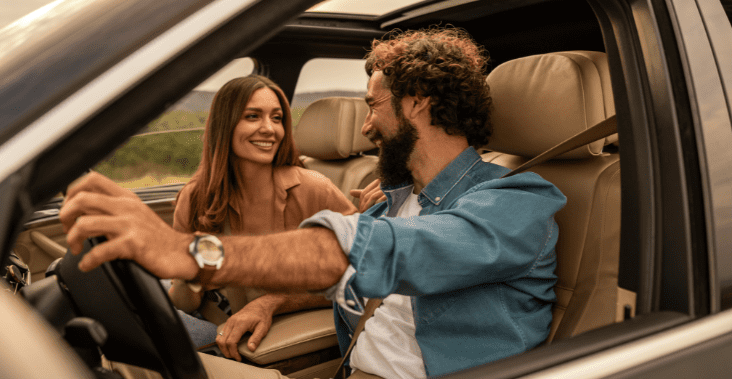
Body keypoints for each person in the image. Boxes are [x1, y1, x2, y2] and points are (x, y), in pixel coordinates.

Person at [60, 27, 567, 378]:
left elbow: (366, 252)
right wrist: (270, 298)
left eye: (373, 106)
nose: (365, 127)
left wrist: (192, 253)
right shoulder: (391, 204)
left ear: (416, 102)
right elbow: (343, 270)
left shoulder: (514, 202)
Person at [164, 75, 357, 357]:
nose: (269, 129)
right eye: (252, 116)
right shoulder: (196, 197)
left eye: (277, 118)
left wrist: (272, 302)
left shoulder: (314, 189)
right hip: (214, 314)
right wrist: (195, 274)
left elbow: (362, 274)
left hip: (278, 322)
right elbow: (184, 300)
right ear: (225, 125)